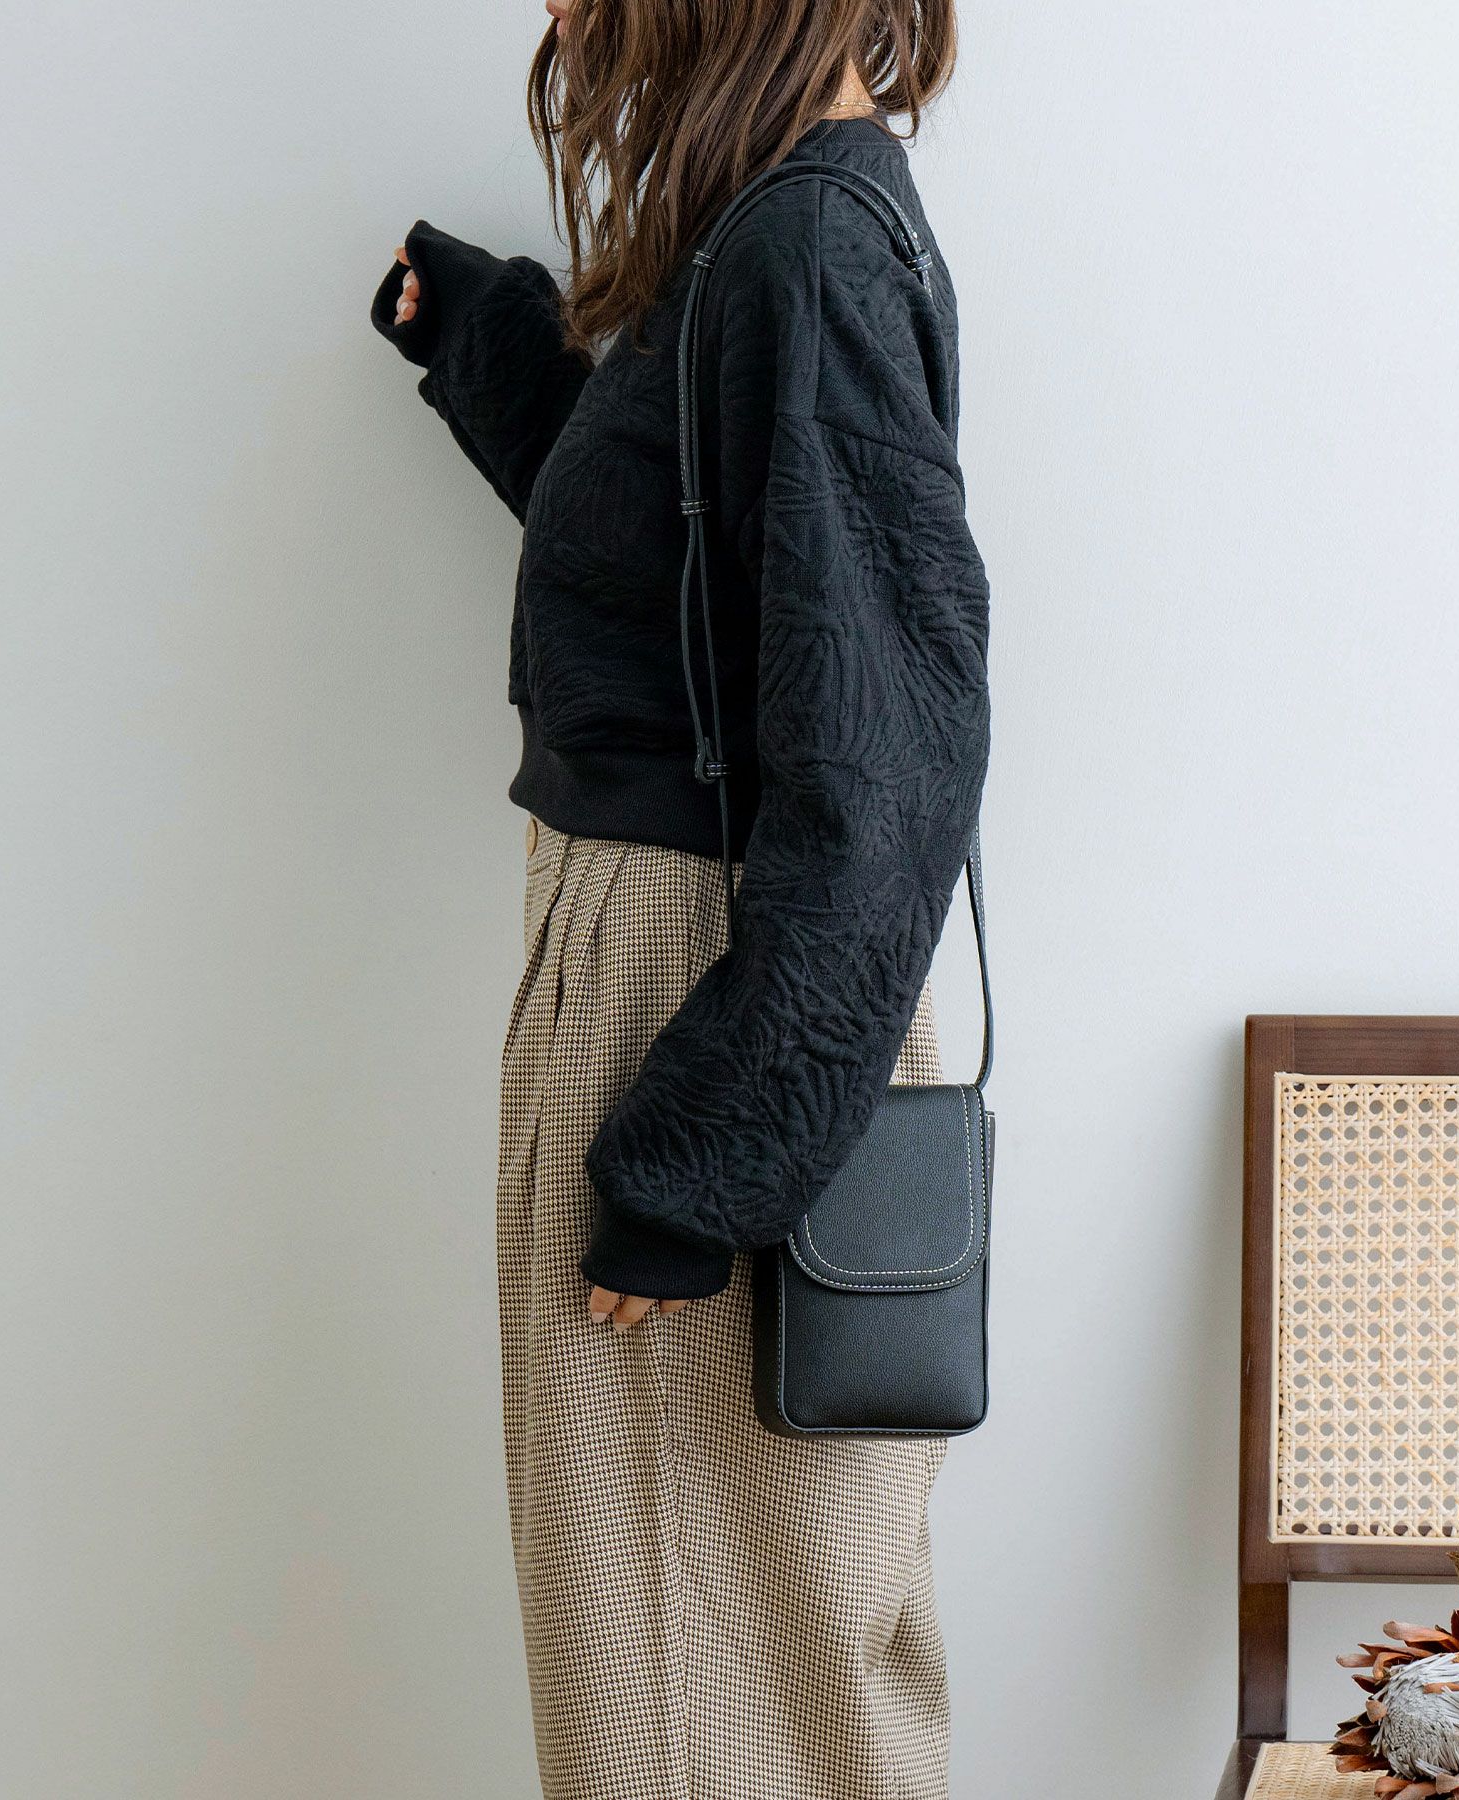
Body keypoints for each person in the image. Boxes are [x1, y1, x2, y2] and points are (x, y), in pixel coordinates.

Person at [371, 1, 989, 1793]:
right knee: (705, 1655)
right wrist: (490, 339)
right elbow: (683, 575)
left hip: (695, 1004)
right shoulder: (771, 226)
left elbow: (885, 770)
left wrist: (694, 1170)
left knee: (710, 1685)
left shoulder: (807, 246)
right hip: (677, 982)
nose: (562, 11)